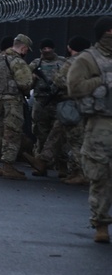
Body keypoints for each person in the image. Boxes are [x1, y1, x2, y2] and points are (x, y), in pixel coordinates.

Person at [67, 16, 112, 243]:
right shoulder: (88, 59)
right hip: (100, 123)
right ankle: (101, 222)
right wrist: (101, 81)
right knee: (101, 174)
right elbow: (74, 87)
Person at [38, 36, 90, 183]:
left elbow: (59, 80)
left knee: (75, 141)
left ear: (70, 48)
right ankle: (43, 160)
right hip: (89, 105)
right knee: (57, 132)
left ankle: (80, 173)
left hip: (71, 105)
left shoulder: (72, 62)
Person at [0, 34, 34, 180]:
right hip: (12, 101)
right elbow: (25, 83)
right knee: (12, 133)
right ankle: (8, 166)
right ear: (23, 48)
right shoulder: (17, 61)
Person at [29, 39, 65, 160]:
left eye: (49, 48)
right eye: (44, 48)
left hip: (58, 101)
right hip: (41, 102)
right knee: (40, 133)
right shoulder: (36, 63)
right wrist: (33, 79)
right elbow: (26, 81)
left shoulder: (62, 62)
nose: (47, 50)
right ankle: (40, 162)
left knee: (59, 135)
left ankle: (61, 164)